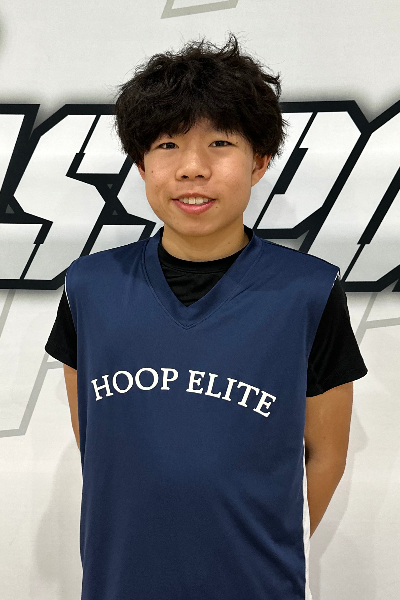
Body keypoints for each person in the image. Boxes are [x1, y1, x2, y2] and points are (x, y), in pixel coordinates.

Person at [45, 32, 368, 600]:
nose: (192, 168)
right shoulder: (89, 287)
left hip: (257, 584)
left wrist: (256, 544)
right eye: (168, 144)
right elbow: (96, 442)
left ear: (259, 161)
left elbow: (326, 455)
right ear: (141, 164)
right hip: (120, 581)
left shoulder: (309, 291)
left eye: (220, 143)